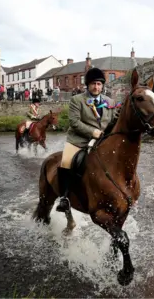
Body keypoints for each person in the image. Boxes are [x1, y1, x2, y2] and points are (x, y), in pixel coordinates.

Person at [55, 67, 120, 212]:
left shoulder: (110, 101)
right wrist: (93, 132)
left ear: (102, 85)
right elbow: (74, 122)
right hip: (79, 140)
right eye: (93, 84)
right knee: (66, 161)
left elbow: (113, 121)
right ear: (88, 85)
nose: (96, 87)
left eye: (99, 84)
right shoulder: (76, 100)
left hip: (103, 141)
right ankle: (64, 198)